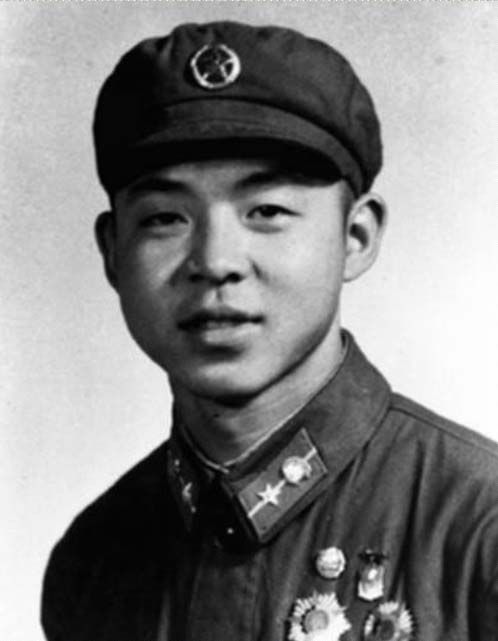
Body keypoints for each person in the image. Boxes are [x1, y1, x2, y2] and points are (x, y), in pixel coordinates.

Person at [41, 20, 498, 641]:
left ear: (355, 237)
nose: (215, 261)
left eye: (267, 211)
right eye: (165, 217)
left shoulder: (478, 527)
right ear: (113, 251)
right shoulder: (95, 560)